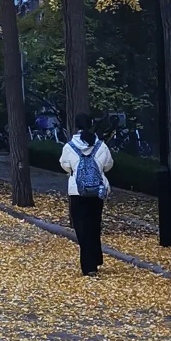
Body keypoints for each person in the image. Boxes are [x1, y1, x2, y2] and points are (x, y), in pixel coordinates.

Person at [60, 113, 113, 276]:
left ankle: (88, 264)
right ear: (91, 124)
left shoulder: (69, 147)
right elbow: (109, 165)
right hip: (97, 191)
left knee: (81, 226)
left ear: (76, 126)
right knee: (94, 224)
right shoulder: (101, 145)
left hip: (77, 191)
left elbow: (65, 166)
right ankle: (95, 257)